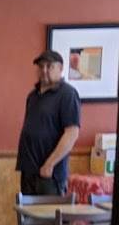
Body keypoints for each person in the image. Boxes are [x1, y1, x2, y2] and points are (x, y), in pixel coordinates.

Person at [16, 49, 81, 197]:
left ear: (60, 68)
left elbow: (72, 133)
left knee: (51, 212)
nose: (44, 70)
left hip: (50, 174)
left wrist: (50, 164)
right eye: (41, 66)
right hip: (29, 172)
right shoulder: (33, 96)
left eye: (49, 66)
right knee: (26, 212)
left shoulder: (68, 94)